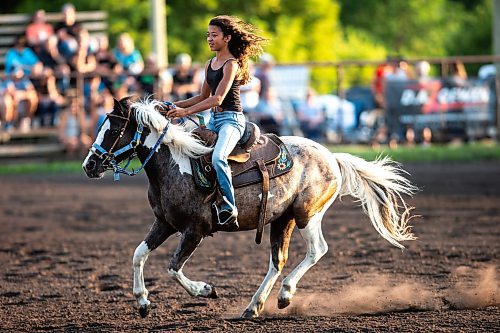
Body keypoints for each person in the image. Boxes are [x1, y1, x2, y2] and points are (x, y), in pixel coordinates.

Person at [166, 15, 267, 227]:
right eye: (208, 35)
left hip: (232, 121)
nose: (210, 39)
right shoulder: (209, 63)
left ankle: (230, 207)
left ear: (227, 38)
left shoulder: (231, 65)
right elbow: (202, 97)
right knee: (187, 151)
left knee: (218, 157)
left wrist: (185, 113)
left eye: (214, 35)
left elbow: (217, 98)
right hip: (214, 120)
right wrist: (173, 105)